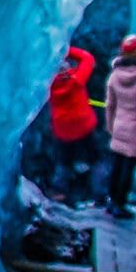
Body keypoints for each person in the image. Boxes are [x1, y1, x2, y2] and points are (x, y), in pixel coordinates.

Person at [46, 44, 102, 205]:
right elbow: (87, 58)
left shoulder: (49, 86)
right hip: (83, 126)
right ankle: (95, 193)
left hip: (63, 129)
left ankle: (59, 190)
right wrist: (65, 49)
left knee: (63, 160)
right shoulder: (76, 80)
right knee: (94, 158)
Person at [102, 36, 136, 219]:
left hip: (119, 124)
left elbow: (110, 104)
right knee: (128, 168)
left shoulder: (114, 75)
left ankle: (111, 200)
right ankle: (119, 203)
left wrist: (110, 126)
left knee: (117, 165)